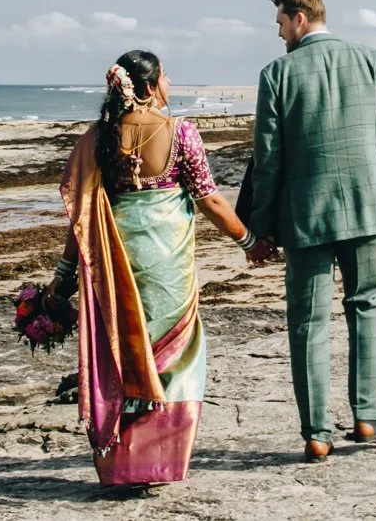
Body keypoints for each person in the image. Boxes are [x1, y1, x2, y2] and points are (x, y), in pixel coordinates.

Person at [47, 50, 254, 490]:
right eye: (165, 76)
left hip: (115, 267)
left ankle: (122, 465)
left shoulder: (97, 141)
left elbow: (82, 220)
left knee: (121, 354)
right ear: (148, 86)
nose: (169, 82)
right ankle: (159, 462)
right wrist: (249, 240)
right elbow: (210, 200)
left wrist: (63, 277)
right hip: (167, 268)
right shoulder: (180, 133)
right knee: (177, 356)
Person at [247, 0, 376, 463]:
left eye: (281, 23)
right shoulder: (369, 60)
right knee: (366, 308)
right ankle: (368, 417)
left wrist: (259, 227)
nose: (280, 32)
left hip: (305, 215)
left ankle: (318, 435)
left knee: (307, 324)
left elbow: (268, 160)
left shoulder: (276, 74)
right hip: (370, 207)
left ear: (300, 18)